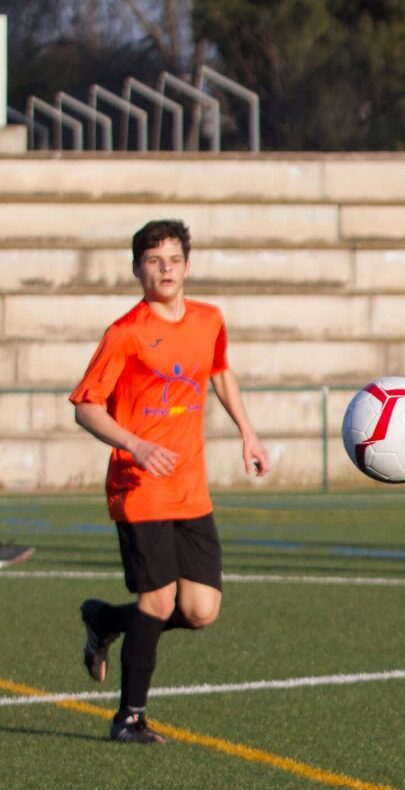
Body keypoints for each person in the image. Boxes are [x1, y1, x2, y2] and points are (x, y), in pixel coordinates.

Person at [69, 218, 270, 743]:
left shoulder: (209, 320)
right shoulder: (125, 332)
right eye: (154, 261)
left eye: (174, 260)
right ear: (137, 268)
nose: (166, 269)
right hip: (139, 486)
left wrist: (248, 433)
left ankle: (106, 620)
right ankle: (128, 718)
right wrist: (135, 444)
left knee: (200, 610)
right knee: (158, 602)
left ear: (187, 265)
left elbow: (220, 371)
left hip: (190, 486)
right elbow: (86, 407)